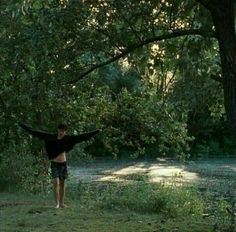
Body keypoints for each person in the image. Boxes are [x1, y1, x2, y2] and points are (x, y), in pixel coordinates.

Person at [20, 123, 100, 208]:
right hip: (55, 163)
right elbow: (36, 132)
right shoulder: (51, 138)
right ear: (58, 130)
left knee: (62, 184)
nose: (62, 132)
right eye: (60, 130)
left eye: (63, 131)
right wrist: (23, 126)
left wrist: (96, 131)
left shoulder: (68, 139)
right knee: (56, 183)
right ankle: (57, 204)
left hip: (63, 164)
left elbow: (81, 137)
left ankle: (62, 203)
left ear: (65, 131)